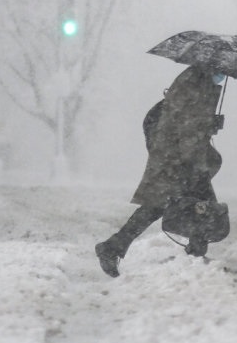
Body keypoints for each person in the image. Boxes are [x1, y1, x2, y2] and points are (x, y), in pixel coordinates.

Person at [95, 65, 225, 277]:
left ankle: (113, 247)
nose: (223, 75)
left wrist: (209, 125)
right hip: (178, 159)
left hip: (178, 157)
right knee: (199, 205)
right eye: (221, 70)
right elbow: (185, 126)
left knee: (170, 206)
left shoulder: (199, 81)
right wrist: (207, 127)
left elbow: (188, 123)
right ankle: (194, 258)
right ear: (213, 66)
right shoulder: (194, 83)